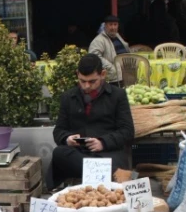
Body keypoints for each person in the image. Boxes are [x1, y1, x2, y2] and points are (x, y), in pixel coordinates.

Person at [47, 54, 134, 191]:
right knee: (59, 153)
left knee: (113, 160)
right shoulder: (68, 97)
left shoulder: (117, 95)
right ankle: (107, 172)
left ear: (103, 74)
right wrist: (68, 139)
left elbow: (127, 131)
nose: (86, 86)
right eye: (82, 81)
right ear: (77, 75)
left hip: (107, 153)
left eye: (92, 81)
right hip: (79, 154)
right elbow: (58, 131)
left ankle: (103, 171)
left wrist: (103, 142)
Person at [88, 16, 129, 87]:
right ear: (105, 26)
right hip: (111, 79)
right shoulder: (99, 40)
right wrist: (111, 68)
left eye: (115, 24)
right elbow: (94, 56)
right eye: (110, 25)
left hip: (123, 76)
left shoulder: (117, 36)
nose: (113, 27)